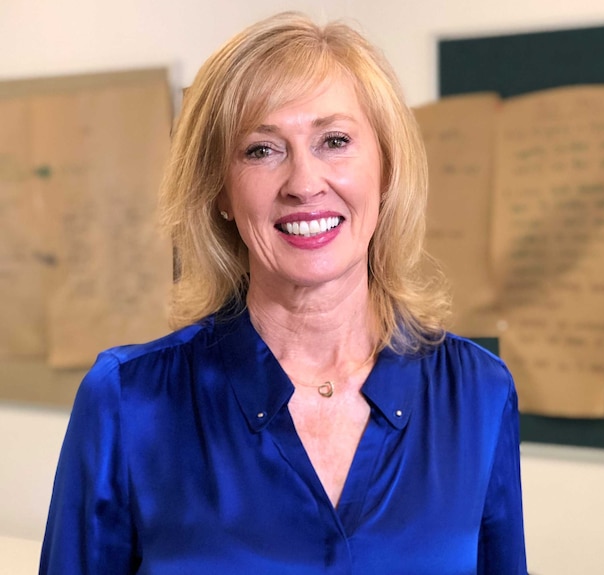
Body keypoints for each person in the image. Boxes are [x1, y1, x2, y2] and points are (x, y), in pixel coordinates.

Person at [39, 11, 527, 575]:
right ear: (220, 191)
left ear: (386, 170)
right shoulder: (128, 401)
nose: (302, 183)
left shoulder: (479, 393)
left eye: (335, 141)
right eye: (261, 150)